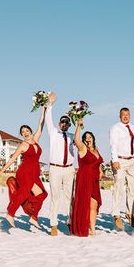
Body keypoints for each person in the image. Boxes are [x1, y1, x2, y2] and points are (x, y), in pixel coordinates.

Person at [0, 107, 48, 230]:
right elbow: (12, 159)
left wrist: (43, 109)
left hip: (34, 174)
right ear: (21, 134)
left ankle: (33, 217)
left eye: (26, 130)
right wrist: (0, 172)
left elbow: (41, 124)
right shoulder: (23, 145)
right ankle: (11, 214)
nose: (25, 132)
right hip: (24, 172)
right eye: (22, 131)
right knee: (24, 193)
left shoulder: (35, 140)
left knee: (42, 194)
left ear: (30, 131)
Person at [46, 93, 76, 236]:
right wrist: (50, 105)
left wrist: (79, 117)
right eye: (62, 121)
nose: (64, 124)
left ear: (69, 124)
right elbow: (47, 119)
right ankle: (53, 224)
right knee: (55, 197)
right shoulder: (54, 133)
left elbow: (80, 142)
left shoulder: (72, 137)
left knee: (70, 197)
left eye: (67, 122)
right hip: (56, 169)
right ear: (59, 123)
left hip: (69, 169)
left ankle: (70, 222)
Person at [109, 108, 134, 231]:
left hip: (132, 160)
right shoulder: (115, 128)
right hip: (120, 160)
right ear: (120, 116)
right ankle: (116, 214)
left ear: (130, 115)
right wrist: (115, 160)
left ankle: (130, 213)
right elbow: (113, 144)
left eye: (127, 115)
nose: (125, 117)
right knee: (118, 186)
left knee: (132, 188)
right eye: (123, 115)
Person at [71, 119, 103, 237]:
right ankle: (83, 227)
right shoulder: (82, 148)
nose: (88, 138)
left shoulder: (96, 150)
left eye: (90, 136)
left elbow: (98, 163)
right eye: (86, 137)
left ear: (93, 138)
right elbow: (76, 139)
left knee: (93, 205)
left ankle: (93, 228)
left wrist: (100, 171)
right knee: (84, 204)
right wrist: (79, 126)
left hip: (94, 180)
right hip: (84, 178)